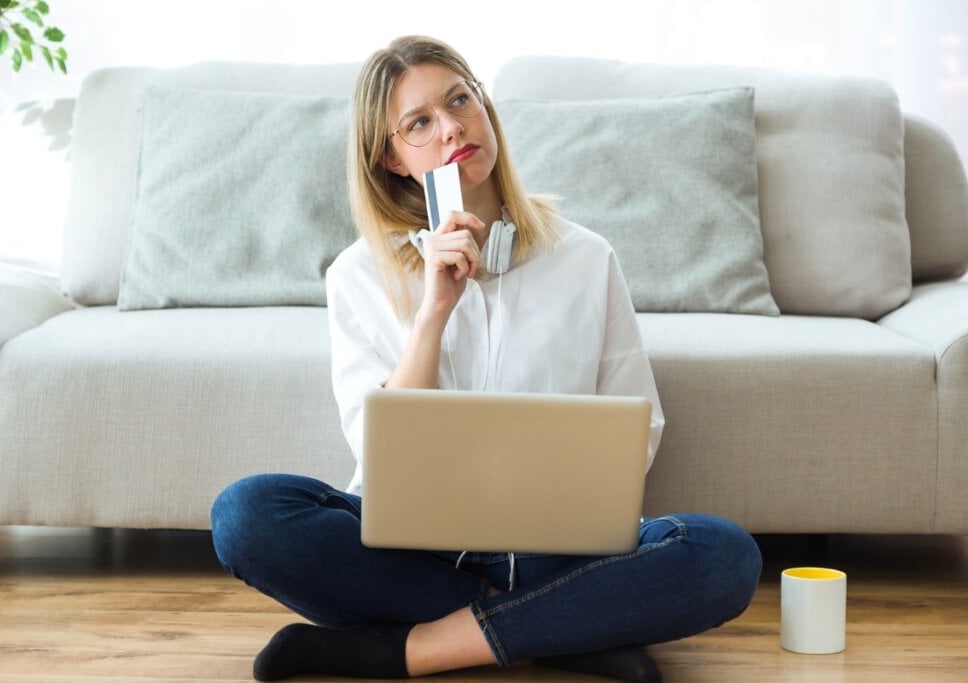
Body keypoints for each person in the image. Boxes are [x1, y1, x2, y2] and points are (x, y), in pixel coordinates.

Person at [211, 35, 763, 682]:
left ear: (485, 107)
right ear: (391, 158)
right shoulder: (358, 274)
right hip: (414, 555)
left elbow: (637, 430)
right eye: (420, 122)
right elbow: (382, 452)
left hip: (560, 550)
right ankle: (569, 630)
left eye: (459, 101)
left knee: (725, 555)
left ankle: (404, 649)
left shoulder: (585, 257)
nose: (451, 128)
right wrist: (434, 311)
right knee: (245, 515)